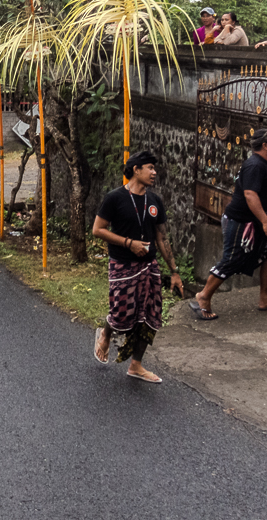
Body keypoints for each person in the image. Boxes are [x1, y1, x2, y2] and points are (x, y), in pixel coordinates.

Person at [90, 151, 184, 383]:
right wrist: (129, 244)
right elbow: (97, 230)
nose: (154, 173)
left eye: (155, 168)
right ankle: (106, 334)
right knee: (122, 314)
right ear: (136, 169)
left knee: (150, 317)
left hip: (149, 267)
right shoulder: (115, 198)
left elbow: (161, 238)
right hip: (122, 265)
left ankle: (136, 365)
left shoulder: (155, 201)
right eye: (150, 168)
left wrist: (174, 272)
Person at [191, 128, 267, 319]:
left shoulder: (264, 164)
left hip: (256, 221)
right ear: (265, 145)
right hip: (241, 222)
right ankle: (203, 296)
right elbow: (250, 194)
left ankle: (265, 299)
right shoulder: (255, 165)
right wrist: (265, 222)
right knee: (232, 259)